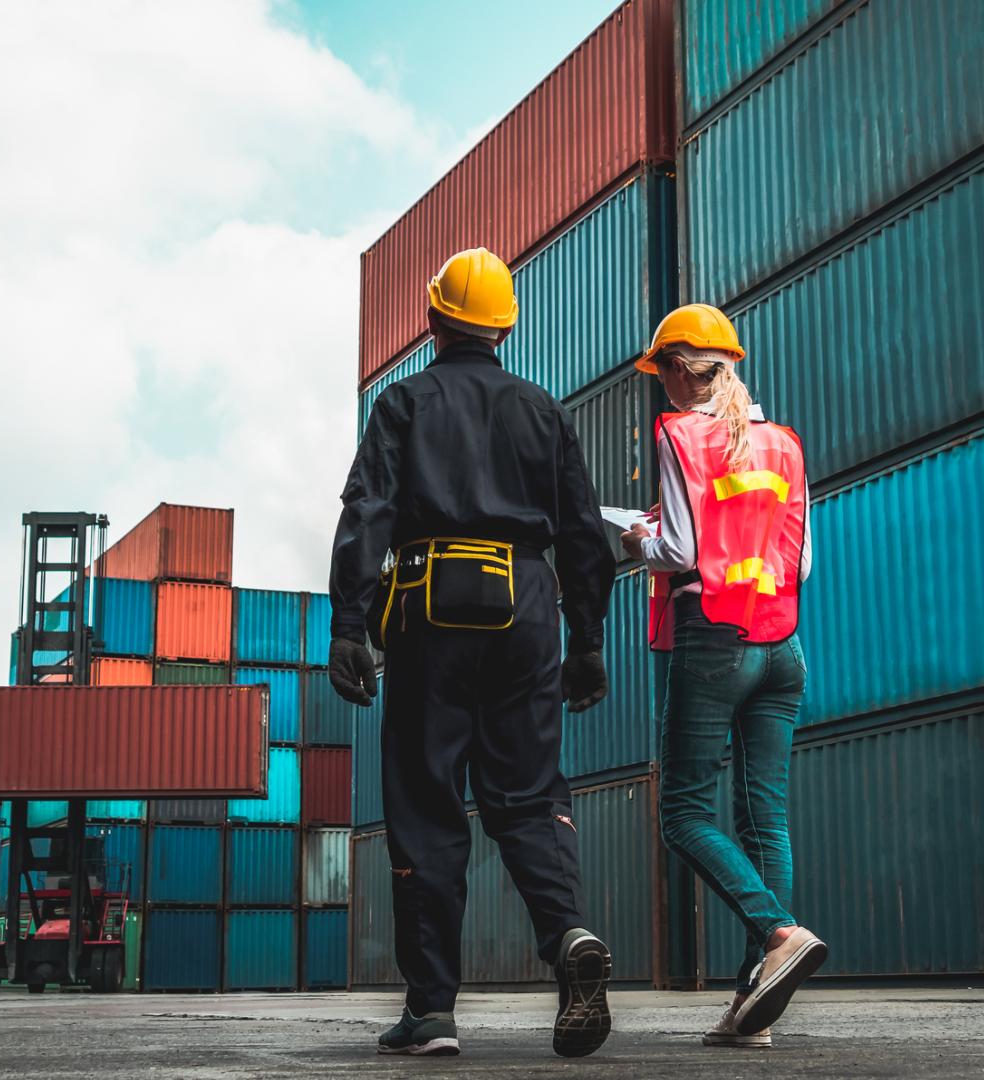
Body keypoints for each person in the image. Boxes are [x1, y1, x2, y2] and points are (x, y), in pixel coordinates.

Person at [327, 247, 619, 1059]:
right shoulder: (543, 410)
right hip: (529, 608)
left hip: (432, 605)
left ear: (433, 318)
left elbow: (368, 513)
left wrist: (349, 625)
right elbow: (584, 539)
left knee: (426, 802)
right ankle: (567, 938)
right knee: (527, 796)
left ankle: (432, 1011)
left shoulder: (403, 403)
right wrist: (588, 642)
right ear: (504, 330)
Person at [621, 303, 827, 1048]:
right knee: (764, 818)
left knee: (683, 812)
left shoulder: (681, 434)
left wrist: (636, 535)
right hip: (783, 646)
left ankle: (778, 933)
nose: (661, 387)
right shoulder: (784, 444)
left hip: (714, 641)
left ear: (678, 368)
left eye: (660, 372)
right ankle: (753, 1007)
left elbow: (677, 551)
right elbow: (800, 563)